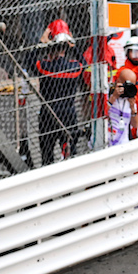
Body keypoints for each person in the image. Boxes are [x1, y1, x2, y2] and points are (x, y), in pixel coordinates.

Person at [34, 20, 87, 166]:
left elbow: (31, 61)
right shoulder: (74, 67)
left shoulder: (45, 66)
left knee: (47, 155)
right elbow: (84, 63)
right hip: (68, 113)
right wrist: (73, 45)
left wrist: (42, 41)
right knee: (70, 152)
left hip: (48, 113)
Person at [107, 68, 138, 146]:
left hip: (122, 143)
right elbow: (100, 114)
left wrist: (132, 108)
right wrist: (113, 97)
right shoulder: (108, 94)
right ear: (119, 82)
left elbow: (135, 125)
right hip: (106, 141)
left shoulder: (130, 100)